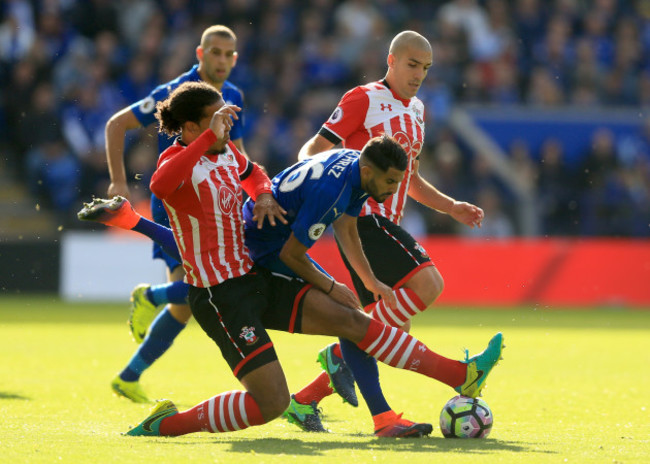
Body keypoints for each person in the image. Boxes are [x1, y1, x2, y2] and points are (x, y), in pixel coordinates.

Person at [78, 81, 503, 437]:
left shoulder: (225, 153)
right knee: (271, 403)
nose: (226, 125)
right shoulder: (178, 163)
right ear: (190, 128)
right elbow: (160, 182)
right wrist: (135, 219)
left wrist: (262, 193)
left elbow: (254, 171)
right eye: (215, 119)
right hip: (221, 296)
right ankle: (165, 426)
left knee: (352, 320)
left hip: (257, 271)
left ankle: (458, 375)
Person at [291, 30, 486, 432]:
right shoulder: (362, 98)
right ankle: (347, 365)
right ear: (391, 60)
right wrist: (337, 183)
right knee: (428, 285)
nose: (419, 75)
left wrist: (450, 207)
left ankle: (313, 401)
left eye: (426, 68)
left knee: (385, 331)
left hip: (385, 224)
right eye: (412, 65)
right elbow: (311, 151)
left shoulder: (417, 111)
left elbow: (410, 178)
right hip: (362, 218)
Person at [103, 25, 248, 404]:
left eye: (228, 54)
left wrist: (256, 192)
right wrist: (119, 182)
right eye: (214, 52)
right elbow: (117, 123)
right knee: (202, 289)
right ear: (199, 54)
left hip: (214, 205)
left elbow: (238, 153)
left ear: (235, 58)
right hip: (176, 203)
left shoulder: (233, 96)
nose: (221, 60)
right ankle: (149, 298)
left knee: (187, 303)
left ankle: (129, 375)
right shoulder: (175, 92)